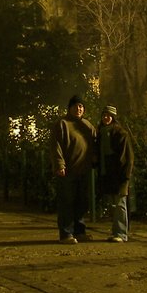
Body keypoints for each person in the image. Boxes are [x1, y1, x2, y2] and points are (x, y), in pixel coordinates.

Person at [50, 94, 97, 244]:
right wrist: (59, 165)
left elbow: (95, 144)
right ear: (70, 108)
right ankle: (66, 234)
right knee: (67, 202)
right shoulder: (62, 124)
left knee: (82, 202)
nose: (79, 108)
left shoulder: (88, 126)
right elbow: (56, 146)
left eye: (81, 106)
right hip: (68, 171)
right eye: (76, 106)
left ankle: (80, 231)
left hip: (84, 171)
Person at [97, 105, 135, 242]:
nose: (106, 118)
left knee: (120, 204)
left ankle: (121, 233)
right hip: (108, 174)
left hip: (118, 175)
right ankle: (117, 232)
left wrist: (125, 176)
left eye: (109, 115)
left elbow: (128, 158)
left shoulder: (120, 134)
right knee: (114, 204)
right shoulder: (102, 133)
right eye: (104, 115)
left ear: (113, 117)